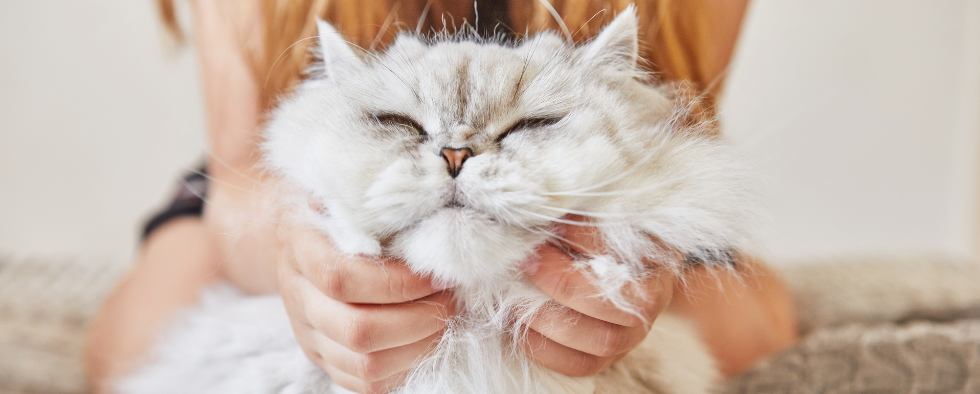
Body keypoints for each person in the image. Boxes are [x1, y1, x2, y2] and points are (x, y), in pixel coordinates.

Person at [85, 1, 798, 393]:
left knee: (747, 330)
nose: (460, 157)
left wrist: (640, 270)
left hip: (573, 187)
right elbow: (243, 167)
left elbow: (674, 144)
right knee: (131, 341)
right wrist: (300, 254)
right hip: (306, 183)